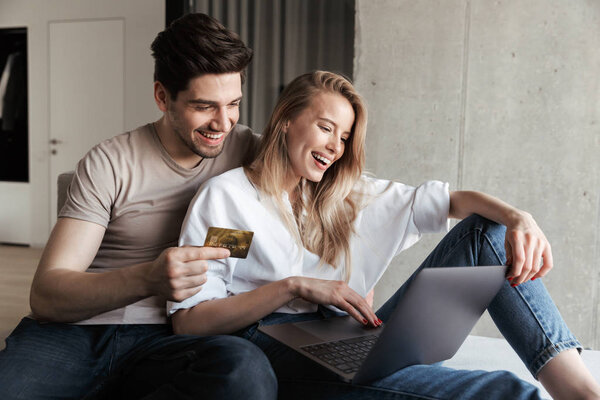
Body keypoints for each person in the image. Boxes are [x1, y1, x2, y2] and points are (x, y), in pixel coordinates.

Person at [168, 71, 600, 400]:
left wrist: (519, 217)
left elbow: (454, 203)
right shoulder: (231, 201)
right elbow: (190, 320)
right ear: (285, 121)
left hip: (345, 336)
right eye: (325, 127)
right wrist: (293, 288)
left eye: (344, 136)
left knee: (488, 231)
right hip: (270, 345)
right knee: (504, 393)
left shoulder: (344, 195)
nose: (336, 147)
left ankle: (580, 391)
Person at [0, 13, 277, 400]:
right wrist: (149, 278)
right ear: (163, 97)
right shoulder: (109, 163)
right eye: (204, 106)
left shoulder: (251, 151)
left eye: (234, 104)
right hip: (79, 332)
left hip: (171, 337)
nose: (223, 122)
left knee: (244, 371)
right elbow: (47, 295)